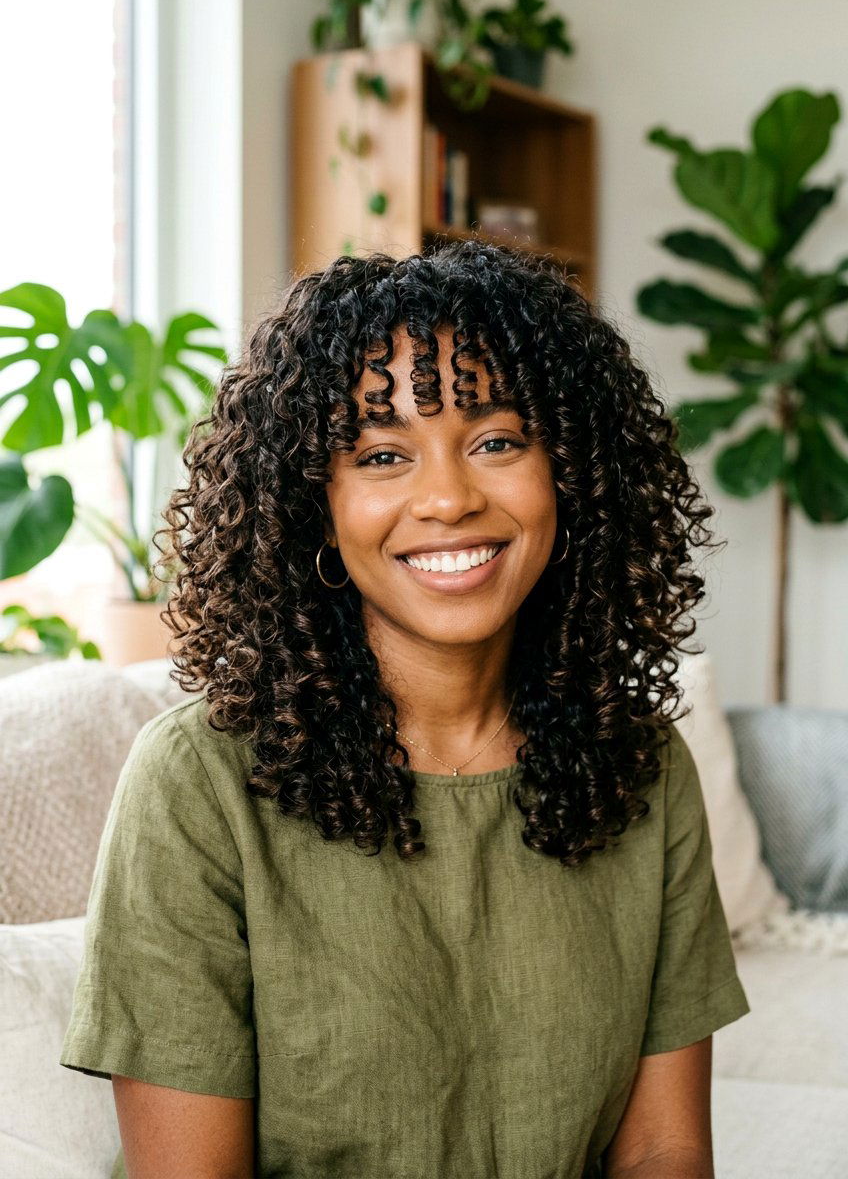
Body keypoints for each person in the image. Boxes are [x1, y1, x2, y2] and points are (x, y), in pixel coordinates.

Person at [60, 239, 750, 1179]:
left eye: (497, 441)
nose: (447, 497)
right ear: (316, 503)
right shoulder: (199, 784)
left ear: (575, 473)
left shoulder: (639, 762)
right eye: (383, 454)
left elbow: (665, 1152)